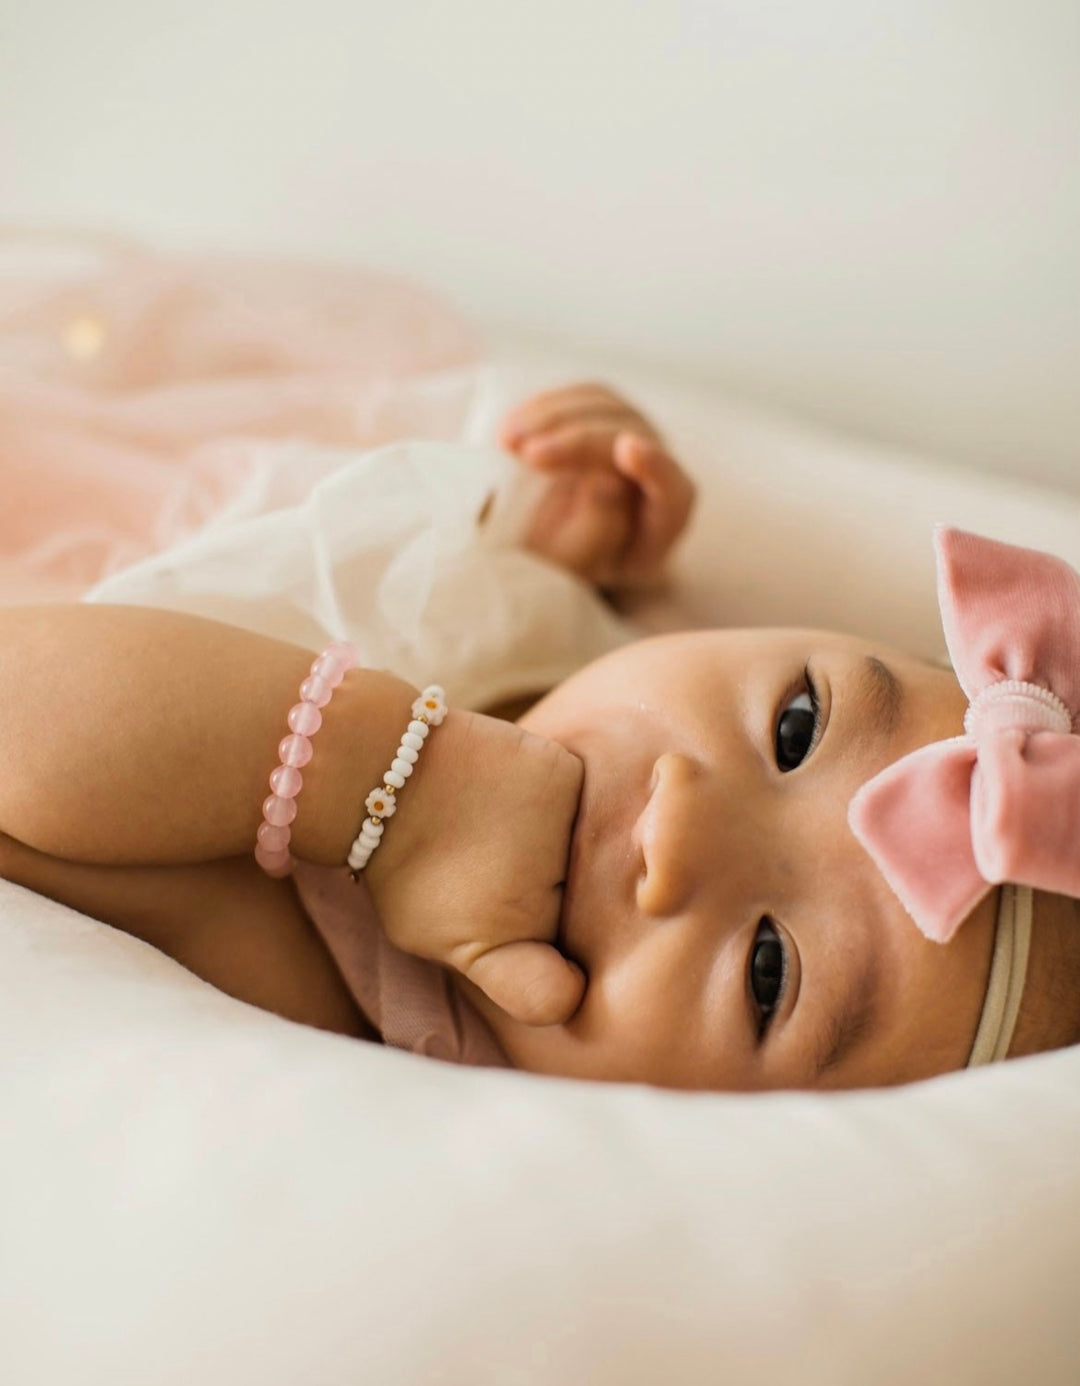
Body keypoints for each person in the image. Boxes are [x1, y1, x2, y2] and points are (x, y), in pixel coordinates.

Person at [0, 383, 1076, 1093]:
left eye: (766, 972)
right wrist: (569, 562)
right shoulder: (600, 674)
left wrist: (398, 788)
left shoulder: (332, 979)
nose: (680, 819)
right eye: (798, 725)